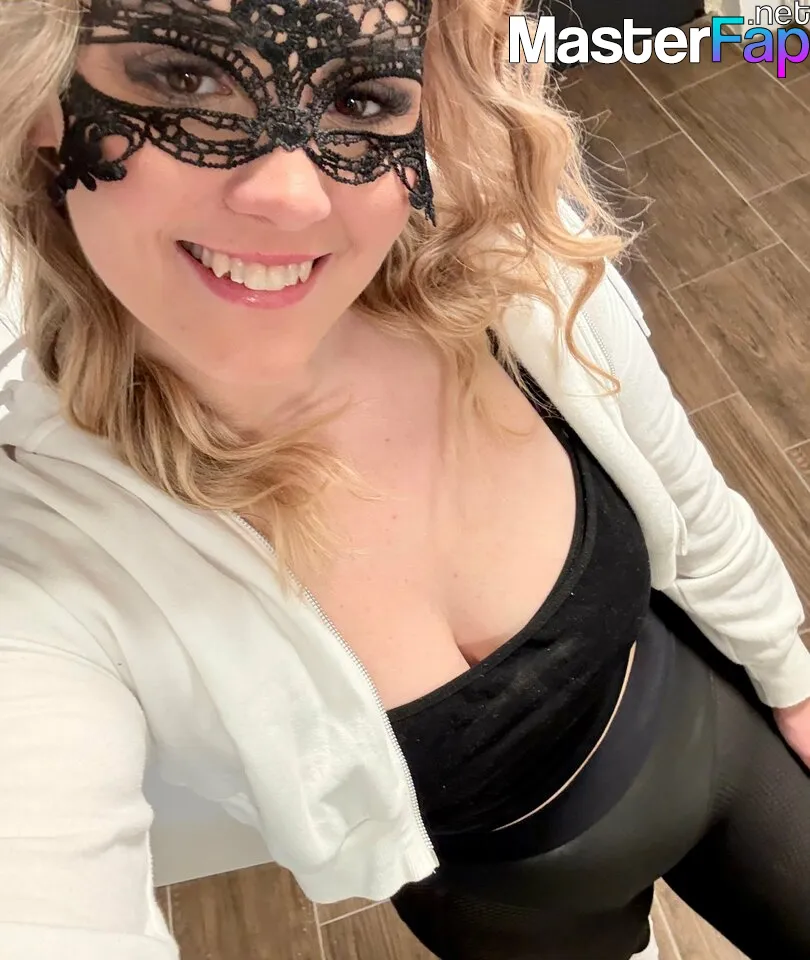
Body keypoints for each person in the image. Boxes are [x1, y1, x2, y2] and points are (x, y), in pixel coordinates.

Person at [0, 1, 808, 959]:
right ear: (45, 103)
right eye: (188, 78)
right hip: (515, 914)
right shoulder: (44, 571)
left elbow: (694, 504)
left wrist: (792, 680)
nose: (291, 195)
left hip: (720, 740)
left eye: (364, 96)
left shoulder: (516, 286)